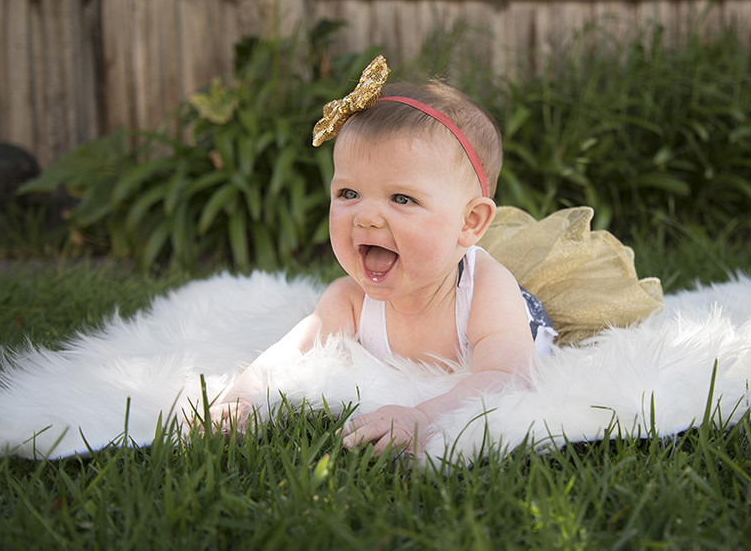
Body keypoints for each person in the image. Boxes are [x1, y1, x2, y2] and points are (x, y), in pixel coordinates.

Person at [200, 55, 557, 456]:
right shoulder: (348, 299)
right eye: (348, 194)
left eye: (402, 198)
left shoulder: (487, 291)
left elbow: (507, 376)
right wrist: (244, 393)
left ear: (470, 222)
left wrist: (423, 415)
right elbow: (289, 352)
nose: (366, 217)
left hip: (521, 314)